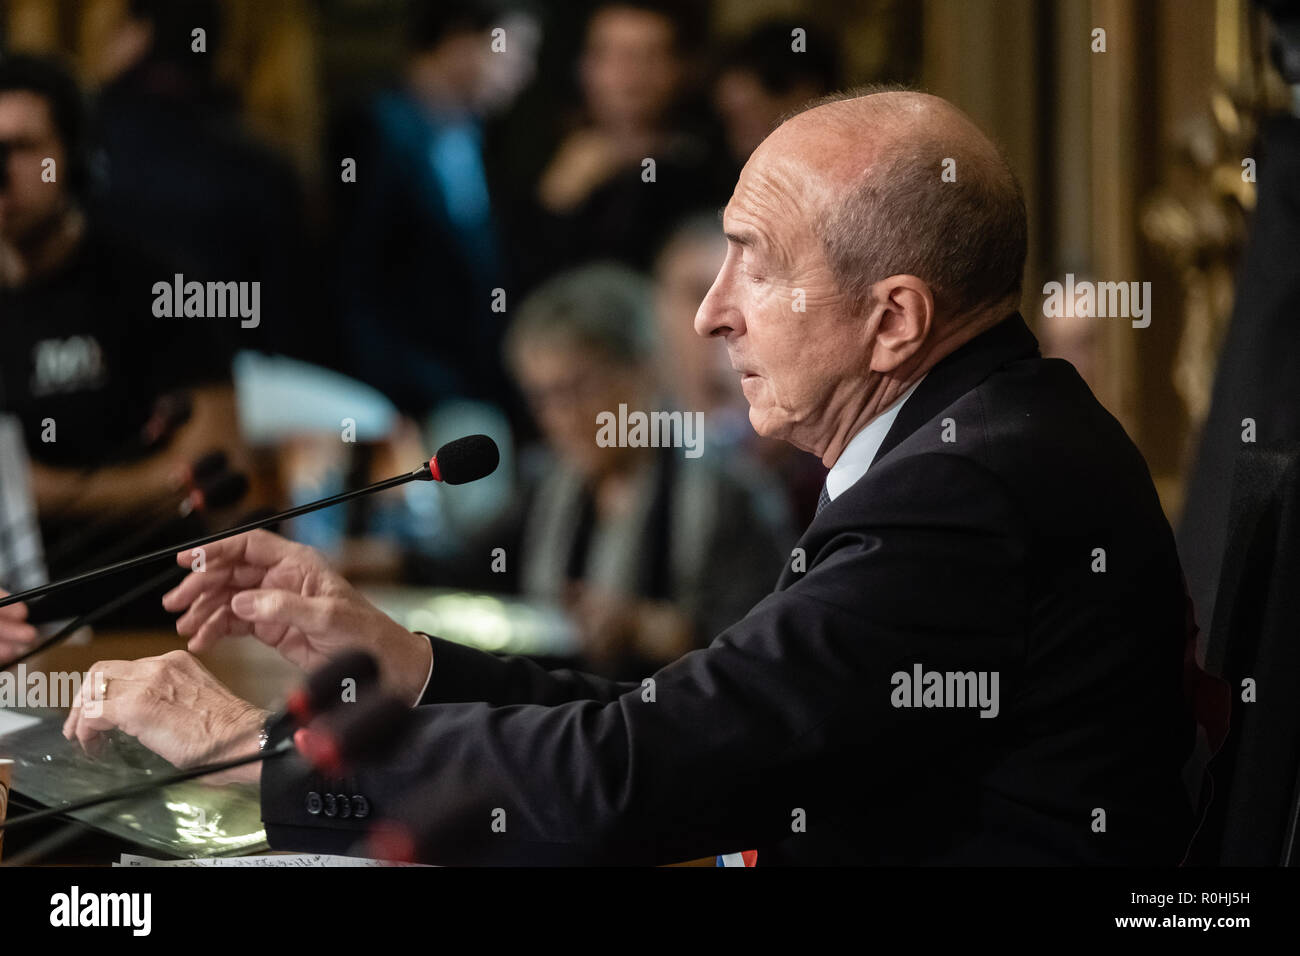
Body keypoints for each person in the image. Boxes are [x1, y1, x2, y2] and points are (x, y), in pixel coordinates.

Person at [48, 88, 1196, 865]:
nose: (709, 313)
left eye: (755, 263)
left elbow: (631, 774)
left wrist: (253, 747)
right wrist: (410, 661)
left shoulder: (966, 490)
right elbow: (678, 721)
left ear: (893, 319)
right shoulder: (975, 439)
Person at [0, 53, 245, 617]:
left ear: (78, 161)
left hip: (138, 617)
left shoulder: (159, 287)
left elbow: (218, 468)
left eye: (22, 148)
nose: (2, 171)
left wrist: (39, 492)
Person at [502, 262, 792, 678]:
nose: (559, 417)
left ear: (645, 370)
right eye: (542, 397)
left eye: (577, 389)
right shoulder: (544, 484)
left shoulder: (731, 492)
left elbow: (771, 646)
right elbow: (464, 569)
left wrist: (662, 631)